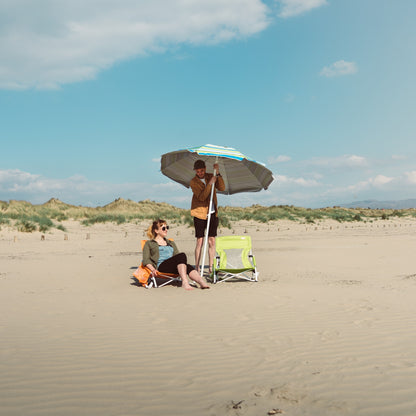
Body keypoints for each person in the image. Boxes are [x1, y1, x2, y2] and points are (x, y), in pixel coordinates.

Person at [142, 219, 210, 290]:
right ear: (156, 231)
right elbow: (146, 260)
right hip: (161, 267)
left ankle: (201, 282)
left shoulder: (170, 242)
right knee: (182, 255)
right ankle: (185, 282)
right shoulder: (149, 244)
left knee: (188, 266)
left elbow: (177, 257)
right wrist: (153, 269)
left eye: (167, 227)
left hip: (171, 266)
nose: (166, 230)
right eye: (163, 228)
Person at [190, 159, 225, 274]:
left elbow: (222, 188)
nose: (200, 173)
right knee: (200, 241)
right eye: (198, 171)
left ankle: (211, 267)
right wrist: (210, 184)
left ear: (205, 168)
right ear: (195, 171)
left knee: (212, 241)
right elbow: (202, 197)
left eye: (201, 170)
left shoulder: (211, 175)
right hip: (199, 213)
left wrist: (217, 173)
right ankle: (197, 267)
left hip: (212, 212)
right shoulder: (193, 182)